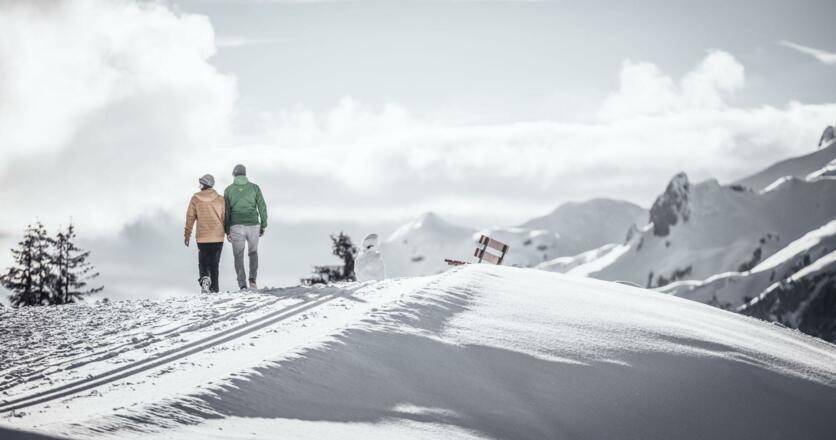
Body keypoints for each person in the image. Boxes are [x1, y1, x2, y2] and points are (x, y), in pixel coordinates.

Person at [224, 164, 268, 290]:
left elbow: (226, 212)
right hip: (253, 224)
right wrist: (263, 224)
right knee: (253, 253)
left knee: (238, 255)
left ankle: (242, 284)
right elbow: (262, 207)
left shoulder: (228, 190)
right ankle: (252, 279)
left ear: (234, 174)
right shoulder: (255, 188)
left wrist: (227, 230)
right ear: (245, 174)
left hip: (236, 226)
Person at [184, 174, 225, 293]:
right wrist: (228, 232)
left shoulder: (195, 198)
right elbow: (225, 217)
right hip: (218, 236)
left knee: (203, 261)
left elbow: (190, 217)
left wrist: (187, 234)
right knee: (215, 264)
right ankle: (214, 289)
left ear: (204, 185)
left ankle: (205, 279)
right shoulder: (220, 199)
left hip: (202, 237)